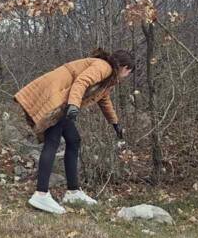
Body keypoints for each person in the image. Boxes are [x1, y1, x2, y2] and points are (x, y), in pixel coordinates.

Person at [14, 49, 134, 214]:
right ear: (125, 68)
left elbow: (103, 99)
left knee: (73, 140)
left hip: (63, 99)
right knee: (53, 140)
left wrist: (115, 123)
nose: (126, 76)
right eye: (128, 72)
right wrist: (74, 105)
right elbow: (81, 82)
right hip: (57, 98)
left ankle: (73, 192)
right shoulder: (103, 67)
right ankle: (41, 194)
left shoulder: (107, 77)